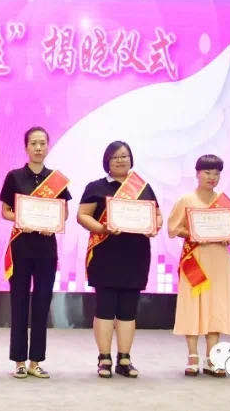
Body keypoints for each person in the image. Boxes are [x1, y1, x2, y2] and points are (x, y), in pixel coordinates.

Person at [76, 141, 161, 378]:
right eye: (115, 157)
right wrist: (102, 228)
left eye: (124, 156)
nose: (121, 160)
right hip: (105, 253)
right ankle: (104, 358)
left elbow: (157, 215)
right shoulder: (96, 187)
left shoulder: (143, 187)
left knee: (128, 310)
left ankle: (125, 358)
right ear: (107, 161)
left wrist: (154, 225)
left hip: (135, 254)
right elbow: (82, 216)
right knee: (105, 307)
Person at [0, 126, 72, 379]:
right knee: (19, 302)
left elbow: (64, 213)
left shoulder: (57, 180)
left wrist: (54, 224)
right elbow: (5, 211)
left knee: (42, 304)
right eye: (33, 143)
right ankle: (19, 360)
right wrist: (21, 219)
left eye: (42, 143)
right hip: (21, 246)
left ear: (47, 146)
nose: (38, 147)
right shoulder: (14, 176)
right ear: (26, 147)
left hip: (46, 249)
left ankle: (35, 361)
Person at [167, 154, 230, 377]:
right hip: (195, 258)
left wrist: (226, 236)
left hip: (219, 260)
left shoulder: (224, 203)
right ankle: (192, 356)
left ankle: (212, 357)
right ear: (197, 173)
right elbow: (173, 228)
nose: (212, 177)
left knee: (216, 306)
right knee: (192, 305)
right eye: (207, 172)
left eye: (216, 173)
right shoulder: (186, 200)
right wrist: (194, 233)